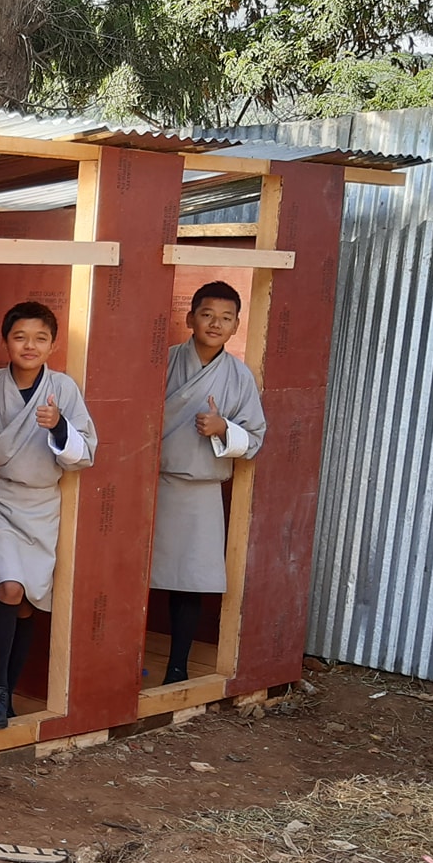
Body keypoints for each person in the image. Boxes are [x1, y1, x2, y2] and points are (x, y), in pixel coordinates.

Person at [0, 301, 97, 729]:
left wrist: (59, 425)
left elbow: (85, 452)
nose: (29, 345)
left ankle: (6, 691)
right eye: (20, 337)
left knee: (26, 603)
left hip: (43, 504)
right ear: (5, 341)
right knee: (8, 587)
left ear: (53, 345)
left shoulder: (64, 388)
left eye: (40, 338)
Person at [151, 280, 266, 684]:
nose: (215, 324)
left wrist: (223, 428)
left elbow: (254, 439)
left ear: (236, 326)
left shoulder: (239, 377)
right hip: (154, 486)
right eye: (207, 315)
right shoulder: (162, 362)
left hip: (201, 491)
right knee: (138, 576)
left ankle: (177, 666)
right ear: (190, 318)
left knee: (190, 581)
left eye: (226, 318)